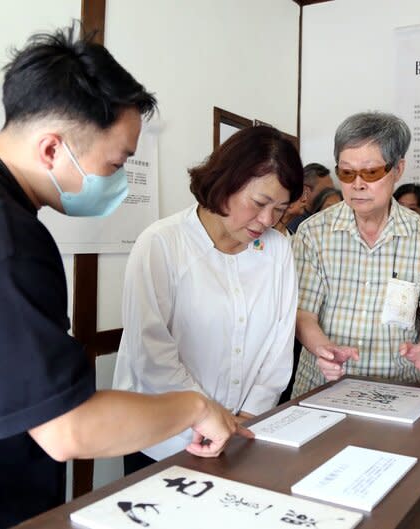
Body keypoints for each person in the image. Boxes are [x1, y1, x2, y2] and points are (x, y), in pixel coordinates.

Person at [0, 27, 250, 529]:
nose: (120, 180)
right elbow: (68, 429)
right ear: (51, 149)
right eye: (115, 162)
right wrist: (195, 407)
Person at [113, 125, 303, 473]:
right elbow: (152, 355)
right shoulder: (162, 244)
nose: (266, 220)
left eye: (280, 209)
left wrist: (249, 414)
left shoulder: (278, 250)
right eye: (259, 203)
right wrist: (204, 415)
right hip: (166, 438)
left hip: (243, 431)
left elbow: (279, 342)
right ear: (226, 182)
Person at [290, 111, 420, 398]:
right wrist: (323, 349)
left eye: (370, 172)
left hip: (397, 391)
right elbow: (303, 312)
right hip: (322, 387)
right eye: (346, 172)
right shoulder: (313, 233)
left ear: (398, 169)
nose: (357, 184)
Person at [284, 162, 335, 234]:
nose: (330, 195)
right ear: (306, 191)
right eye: (325, 191)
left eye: (332, 190)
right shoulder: (296, 223)